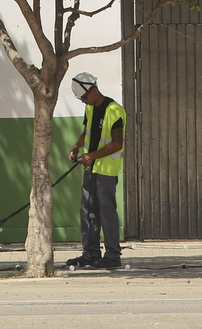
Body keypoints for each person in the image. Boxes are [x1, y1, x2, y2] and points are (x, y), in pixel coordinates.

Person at [64, 72, 126, 270]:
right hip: (91, 168)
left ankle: (112, 255)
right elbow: (86, 131)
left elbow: (117, 143)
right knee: (88, 210)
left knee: (106, 211)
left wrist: (93, 156)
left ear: (93, 90)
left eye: (84, 97)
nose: (83, 102)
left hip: (106, 170)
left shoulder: (114, 110)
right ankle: (90, 253)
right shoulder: (91, 109)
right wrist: (76, 146)